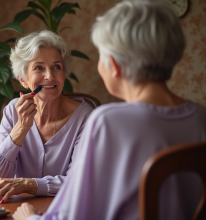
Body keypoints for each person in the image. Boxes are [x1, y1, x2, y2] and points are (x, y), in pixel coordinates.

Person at [12, 0, 206, 219]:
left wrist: (29, 217)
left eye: (100, 56)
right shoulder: (201, 117)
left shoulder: (109, 122)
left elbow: (75, 215)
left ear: (113, 65)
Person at [0, 30, 93, 204]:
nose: (50, 76)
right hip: (16, 212)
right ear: (23, 80)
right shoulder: (12, 111)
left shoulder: (85, 118)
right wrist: (21, 128)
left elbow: (80, 181)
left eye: (57, 67)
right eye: (39, 67)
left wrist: (28, 184)